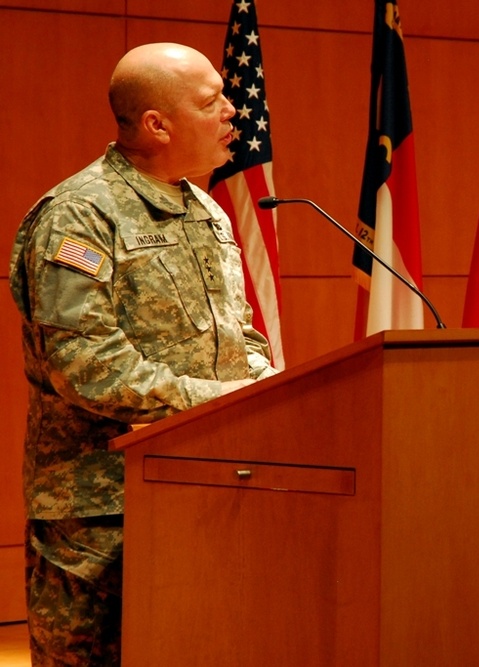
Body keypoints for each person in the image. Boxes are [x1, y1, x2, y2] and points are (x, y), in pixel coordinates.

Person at [8, 43, 279, 665]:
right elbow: (88, 368)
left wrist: (270, 391)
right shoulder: (79, 215)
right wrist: (228, 402)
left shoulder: (204, 207)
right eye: (212, 102)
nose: (233, 111)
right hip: (102, 514)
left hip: (205, 489)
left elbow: (240, 334)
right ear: (157, 124)